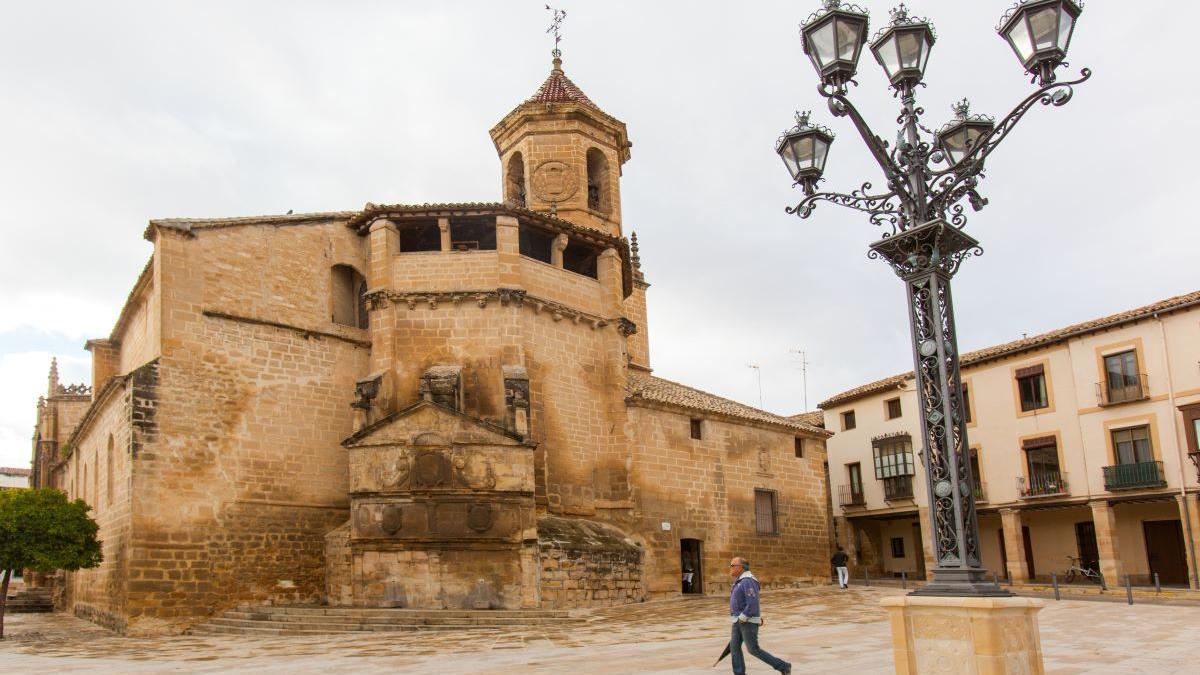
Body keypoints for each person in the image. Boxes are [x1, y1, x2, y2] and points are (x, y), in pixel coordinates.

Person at [727, 556, 791, 675]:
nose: (730, 568)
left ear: (740, 567)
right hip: (737, 621)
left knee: (753, 650)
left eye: (732, 565)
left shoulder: (748, 581)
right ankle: (739, 673)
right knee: (734, 648)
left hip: (747, 621)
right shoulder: (739, 581)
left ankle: (783, 666)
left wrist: (743, 617)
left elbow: (752, 603)